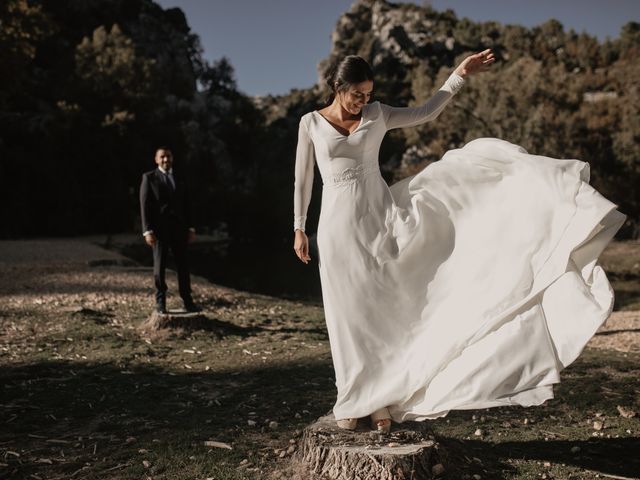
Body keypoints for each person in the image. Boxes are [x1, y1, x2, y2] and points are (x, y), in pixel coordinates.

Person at [292, 52, 625, 433]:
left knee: (378, 310)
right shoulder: (310, 124)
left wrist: (459, 75)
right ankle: (352, 396)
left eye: (368, 94)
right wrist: (300, 227)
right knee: (346, 314)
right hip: (336, 229)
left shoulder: (378, 114)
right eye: (357, 95)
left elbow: (427, 112)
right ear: (338, 88)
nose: (363, 101)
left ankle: (380, 399)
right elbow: (303, 179)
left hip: (379, 220)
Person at [140, 146, 201, 314]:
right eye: (162, 157)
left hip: (180, 230)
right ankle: (160, 302)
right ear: (156, 159)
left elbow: (187, 204)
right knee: (159, 267)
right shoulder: (149, 178)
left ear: (172, 158)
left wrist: (191, 228)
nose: (165, 160)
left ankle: (188, 301)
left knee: (183, 266)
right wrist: (147, 231)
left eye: (168, 156)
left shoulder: (180, 177)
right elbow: (144, 206)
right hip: (159, 231)